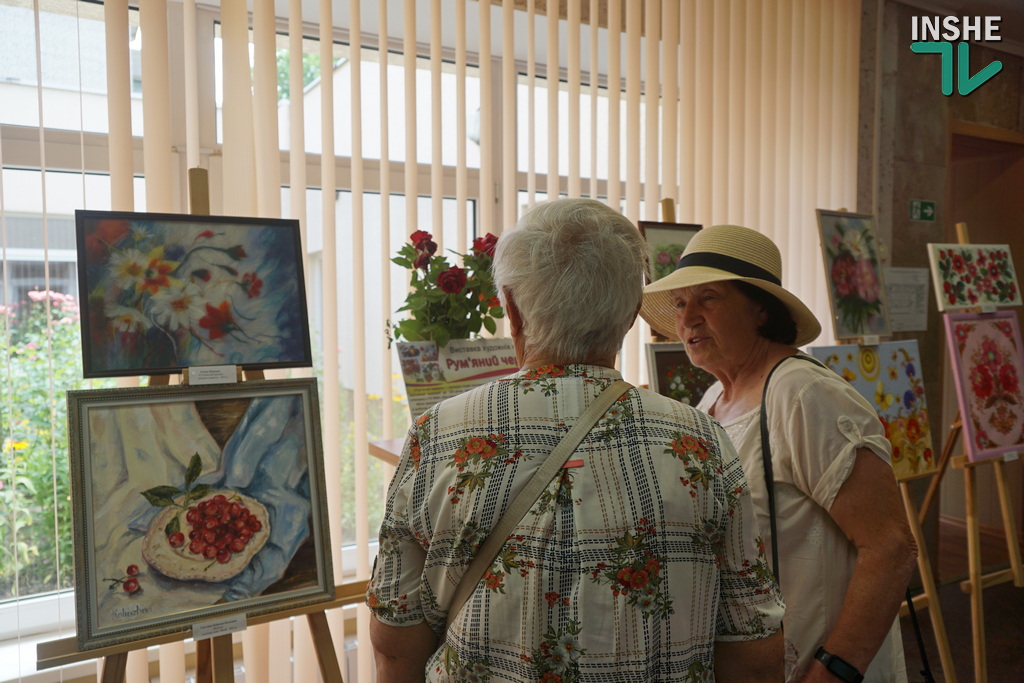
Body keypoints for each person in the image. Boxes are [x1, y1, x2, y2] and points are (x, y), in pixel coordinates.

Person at [367, 199, 785, 682]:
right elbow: (753, 649)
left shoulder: (439, 435)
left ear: (511, 310)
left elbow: (396, 646)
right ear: (631, 314)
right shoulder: (701, 444)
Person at [640, 224, 918, 683]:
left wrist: (834, 670)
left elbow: (890, 547)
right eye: (680, 303)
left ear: (761, 310)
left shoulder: (804, 394)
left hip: (817, 664)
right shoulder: (713, 400)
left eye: (708, 298)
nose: (688, 318)